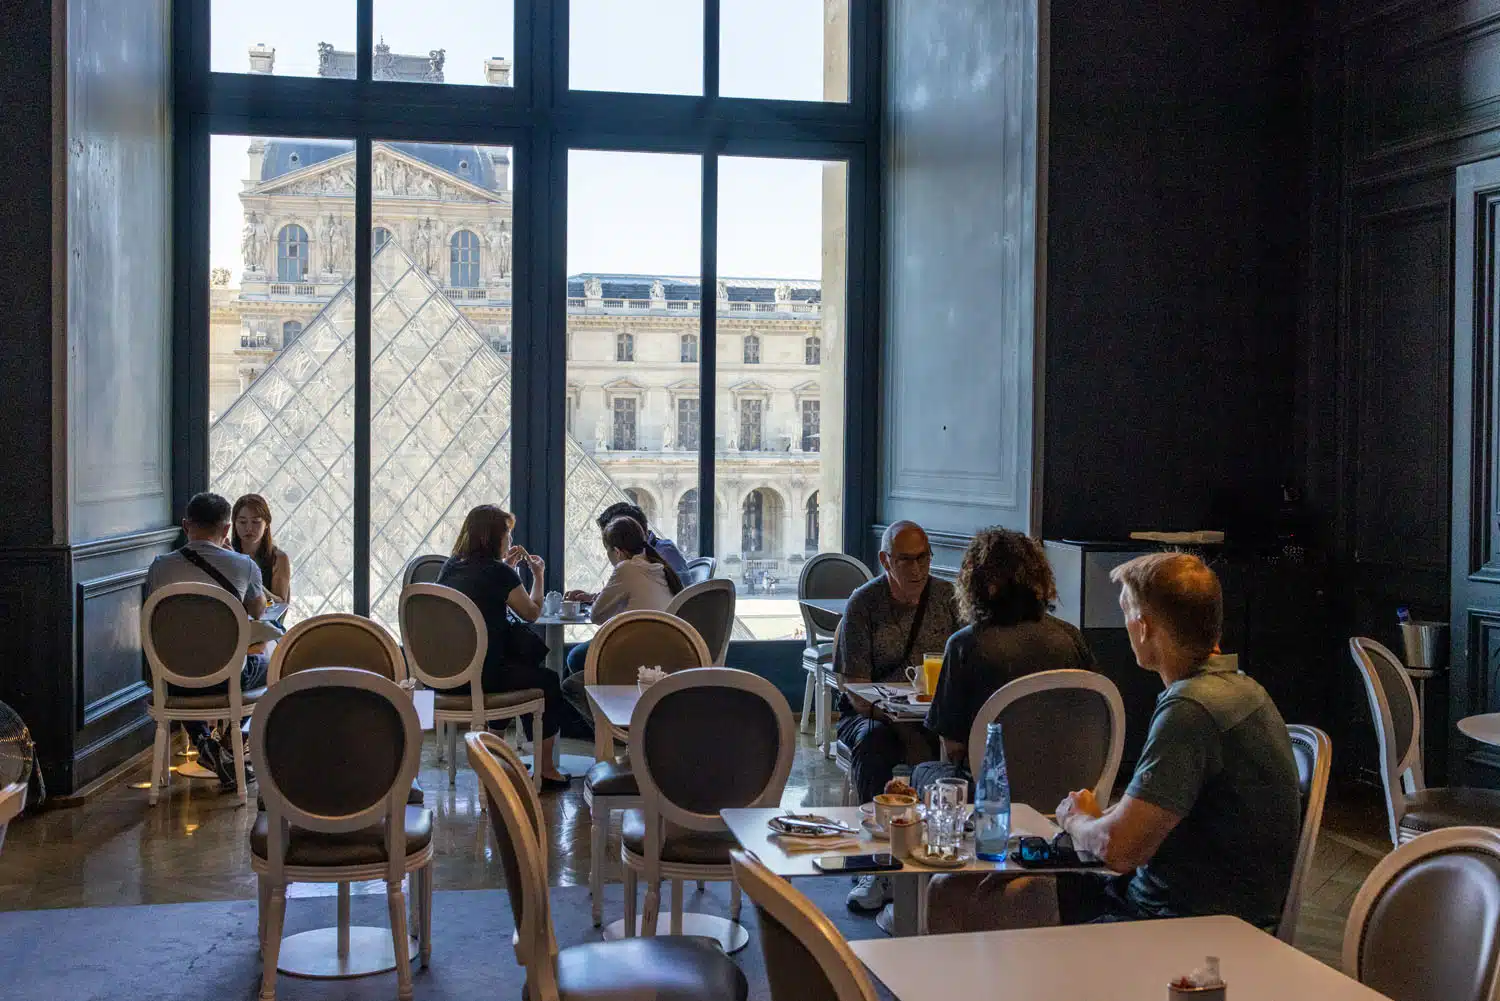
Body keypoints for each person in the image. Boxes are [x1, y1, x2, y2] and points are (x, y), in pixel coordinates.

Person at [926, 552, 1301, 934]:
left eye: (1126, 614)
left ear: (1144, 627)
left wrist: (1076, 820)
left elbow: (1119, 850)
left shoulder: (1190, 709)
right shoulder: (1245, 690)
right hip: (1202, 905)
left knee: (950, 895)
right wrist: (1103, 820)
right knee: (966, 889)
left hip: (1176, 923)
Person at [832, 521, 960, 913]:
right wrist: (898, 720)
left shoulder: (949, 598)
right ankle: (878, 864)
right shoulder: (864, 604)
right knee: (875, 744)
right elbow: (855, 689)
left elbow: (966, 668)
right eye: (906, 560)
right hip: (872, 715)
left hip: (931, 714)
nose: (918, 569)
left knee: (960, 748)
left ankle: (940, 854)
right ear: (886, 560)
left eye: (924, 558)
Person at [918, 527, 1097, 780]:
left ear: (975, 584)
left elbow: (953, 746)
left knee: (923, 772)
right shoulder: (1071, 638)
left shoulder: (964, 645)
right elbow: (1090, 719)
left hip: (991, 788)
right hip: (1065, 785)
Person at [436, 505, 571, 791]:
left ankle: (495, 756)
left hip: (444, 676)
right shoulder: (499, 573)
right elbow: (532, 613)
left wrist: (507, 570)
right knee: (546, 680)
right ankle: (547, 769)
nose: (510, 540)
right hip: (481, 677)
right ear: (494, 537)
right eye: (507, 534)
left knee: (514, 667)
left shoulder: (450, 567)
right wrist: (538, 575)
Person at [144, 492, 270, 792]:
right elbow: (258, 611)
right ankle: (237, 745)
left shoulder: (159, 567)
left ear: (186, 525)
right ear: (227, 529)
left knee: (186, 666)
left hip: (171, 679)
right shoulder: (244, 565)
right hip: (226, 679)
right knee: (272, 662)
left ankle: (204, 742)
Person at [560, 516, 684, 715]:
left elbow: (597, 616)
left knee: (574, 661)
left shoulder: (626, 568)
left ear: (617, 551)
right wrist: (593, 597)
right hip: (662, 656)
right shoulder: (658, 566)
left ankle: (609, 725)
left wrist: (595, 601)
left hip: (635, 655)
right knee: (578, 665)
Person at [230, 493, 291, 605]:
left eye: (256, 522)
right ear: (234, 523)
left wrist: (252, 581)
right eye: (242, 522)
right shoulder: (226, 554)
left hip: (264, 615)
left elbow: (280, 604)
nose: (249, 528)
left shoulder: (278, 558)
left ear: (266, 523)